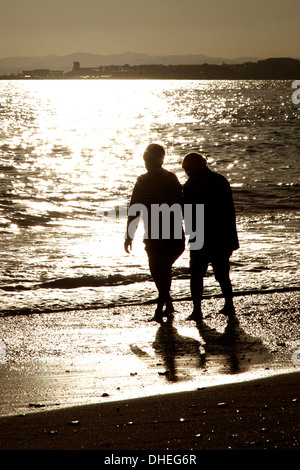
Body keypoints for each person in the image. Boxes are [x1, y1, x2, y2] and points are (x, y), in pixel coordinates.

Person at [124, 144, 185, 322]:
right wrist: (129, 235)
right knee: (161, 270)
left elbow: (135, 209)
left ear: (160, 159)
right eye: (145, 159)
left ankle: (160, 309)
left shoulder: (161, 179)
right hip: (162, 234)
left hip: (164, 235)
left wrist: (129, 236)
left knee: (160, 271)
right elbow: (135, 209)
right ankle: (168, 305)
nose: (147, 163)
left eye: (149, 159)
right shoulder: (168, 178)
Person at [182, 152, 239, 321]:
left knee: (201, 274)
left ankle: (201, 310)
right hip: (216, 235)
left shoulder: (192, 184)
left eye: (188, 168)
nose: (187, 171)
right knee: (217, 273)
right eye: (186, 169)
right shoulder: (218, 180)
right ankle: (226, 305)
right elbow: (230, 213)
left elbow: (188, 213)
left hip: (207, 235)